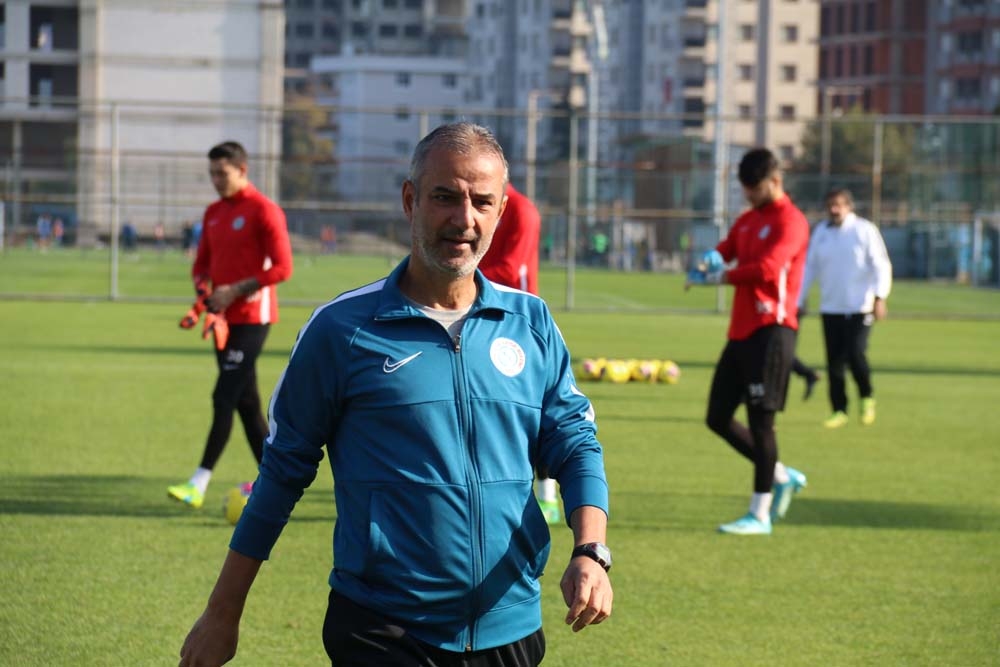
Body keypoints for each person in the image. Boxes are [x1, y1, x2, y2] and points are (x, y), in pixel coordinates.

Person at [178, 123, 613, 667]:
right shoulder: (341, 330)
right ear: (410, 200)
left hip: (512, 625)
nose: (464, 218)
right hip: (383, 628)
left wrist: (591, 550)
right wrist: (223, 613)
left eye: (482, 202)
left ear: (502, 210)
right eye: (445, 197)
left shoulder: (532, 323)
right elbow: (282, 472)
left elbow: (575, 444)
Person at [685, 147, 810, 535]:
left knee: (762, 425)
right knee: (717, 417)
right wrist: (711, 257)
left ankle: (760, 514)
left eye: (754, 189)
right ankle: (781, 474)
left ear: (775, 181)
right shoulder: (749, 219)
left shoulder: (792, 221)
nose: (749, 195)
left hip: (772, 330)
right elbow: (730, 248)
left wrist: (720, 277)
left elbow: (770, 269)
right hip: (740, 331)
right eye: (745, 189)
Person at [167, 141, 293, 510]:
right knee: (246, 403)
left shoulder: (264, 210)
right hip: (223, 319)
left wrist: (234, 290)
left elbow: (283, 268)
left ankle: (198, 482)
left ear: (242, 170)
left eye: (222, 173)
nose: (216, 180)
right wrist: (205, 294)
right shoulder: (213, 213)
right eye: (212, 174)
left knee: (223, 396)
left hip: (254, 318)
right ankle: (279, 482)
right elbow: (201, 265)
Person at [478, 182, 563, 525]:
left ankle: (548, 497)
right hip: (481, 315)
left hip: (517, 324)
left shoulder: (523, 211)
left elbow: (513, 269)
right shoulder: (476, 207)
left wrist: (459, 277)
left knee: (535, 410)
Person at [798, 188, 892, 428]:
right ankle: (839, 409)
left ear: (849, 206)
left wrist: (880, 297)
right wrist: (800, 298)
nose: (834, 209)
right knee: (834, 363)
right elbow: (809, 267)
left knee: (856, 354)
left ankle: (866, 396)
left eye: (838, 204)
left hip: (860, 307)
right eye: (830, 205)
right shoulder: (821, 232)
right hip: (831, 308)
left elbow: (881, 265)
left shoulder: (864, 230)